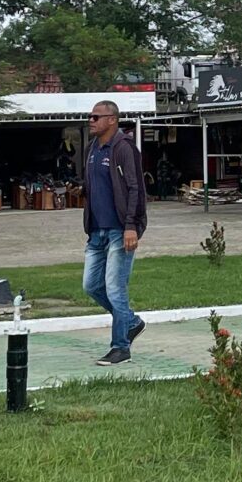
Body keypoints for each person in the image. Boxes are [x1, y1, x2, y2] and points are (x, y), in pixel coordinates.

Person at [82, 100, 150, 364]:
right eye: (90, 116)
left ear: (112, 120)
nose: (91, 120)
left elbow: (136, 188)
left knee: (115, 288)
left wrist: (131, 226)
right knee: (91, 286)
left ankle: (121, 347)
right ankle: (130, 322)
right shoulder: (91, 150)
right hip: (97, 231)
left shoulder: (124, 148)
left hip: (120, 230)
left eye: (96, 117)